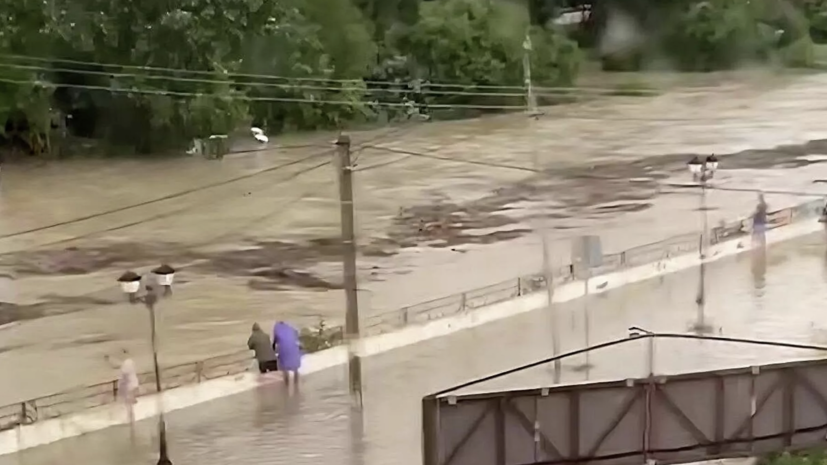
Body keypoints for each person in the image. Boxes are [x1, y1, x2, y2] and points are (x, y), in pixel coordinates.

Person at [105, 349, 139, 423]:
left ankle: (130, 418)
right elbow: (118, 365)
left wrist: (109, 360)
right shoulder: (130, 361)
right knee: (129, 403)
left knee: (128, 403)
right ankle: (130, 416)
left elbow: (118, 367)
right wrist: (110, 360)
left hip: (129, 386)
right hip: (133, 384)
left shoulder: (126, 364)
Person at [272, 321, 303, 385]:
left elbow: (275, 341)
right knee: (295, 367)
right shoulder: (291, 328)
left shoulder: (277, 330)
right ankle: (296, 382)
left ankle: (286, 383)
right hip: (294, 348)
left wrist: (273, 349)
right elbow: (297, 335)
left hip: (284, 349)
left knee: (284, 367)